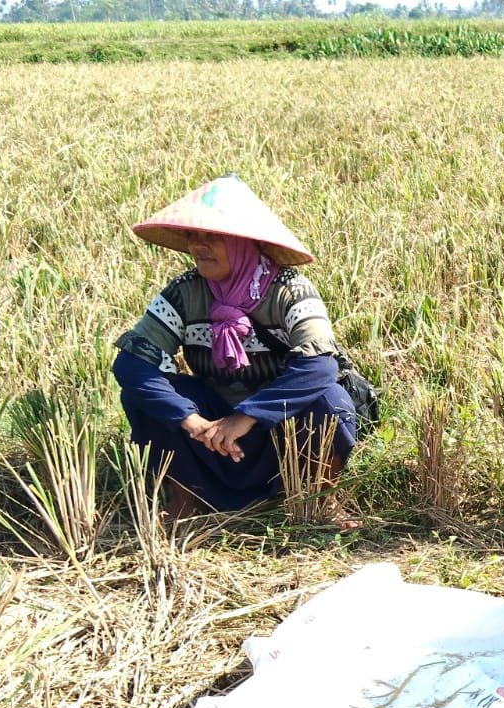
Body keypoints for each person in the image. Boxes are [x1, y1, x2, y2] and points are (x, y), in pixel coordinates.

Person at [111, 174, 358, 523]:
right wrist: (190, 419)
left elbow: (319, 366)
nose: (198, 245)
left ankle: (321, 499)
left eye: (213, 236)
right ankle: (187, 500)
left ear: (244, 242)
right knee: (144, 396)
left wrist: (247, 416)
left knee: (329, 401)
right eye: (193, 236)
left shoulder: (290, 290)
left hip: (279, 420)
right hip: (212, 423)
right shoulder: (185, 292)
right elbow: (133, 363)